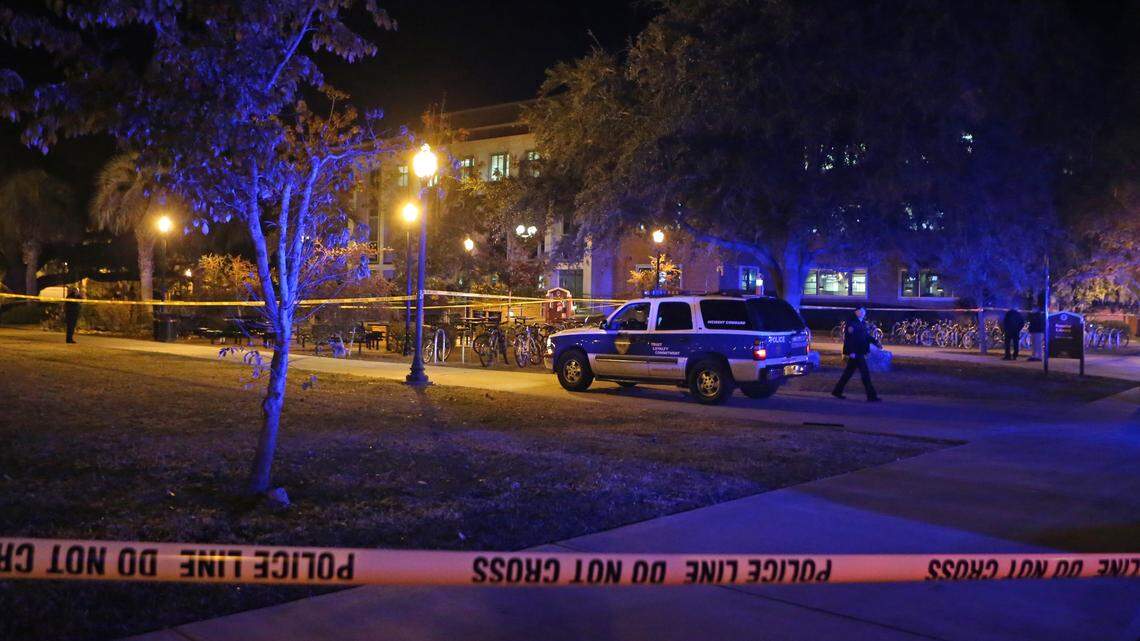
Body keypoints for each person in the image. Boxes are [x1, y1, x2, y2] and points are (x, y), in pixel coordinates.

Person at [831, 306, 881, 402]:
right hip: (856, 353)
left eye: (863, 311)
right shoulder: (852, 323)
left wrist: (876, 342)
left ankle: (837, 391)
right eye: (859, 311)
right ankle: (871, 396)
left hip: (859, 351)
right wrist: (851, 352)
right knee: (865, 374)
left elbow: (866, 336)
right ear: (856, 312)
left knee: (848, 373)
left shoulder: (862, 323)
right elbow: (850, 339)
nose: (862, 313)